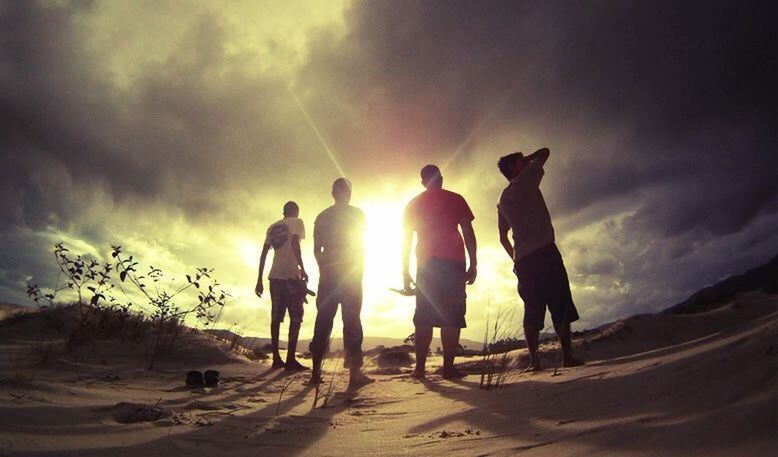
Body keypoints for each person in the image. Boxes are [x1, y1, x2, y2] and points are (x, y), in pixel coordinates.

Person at [496, 148, 583, 371]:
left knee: (532, 309)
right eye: (519, 160)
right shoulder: (526, 177)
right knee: (560, 303)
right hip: (545, 251)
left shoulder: (503, 199)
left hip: (524, 260)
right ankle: (567, 357)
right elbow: (545, 151)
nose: (525, 161)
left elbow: (502, 236)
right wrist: (526, 160)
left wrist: (514, 258)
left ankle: (535, 361)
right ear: (514, 167)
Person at [402, 165, 477, 380]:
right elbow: (468, 231)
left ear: (423, 181)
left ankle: (419, 369)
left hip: (426, 263)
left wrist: (404, 273)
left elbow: (405, 242)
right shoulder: (456, 198)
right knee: (452, 315)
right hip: (453, 262)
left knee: (424, 315)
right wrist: (474, 263)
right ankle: (448, 368)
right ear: (441, 178)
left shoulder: (413, 204)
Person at [308, 178, 373, 388]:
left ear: (333, 193)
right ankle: (354, 374)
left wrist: (323, 268)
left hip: (329, 274)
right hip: (350, 275)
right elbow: (362, 243)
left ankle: (315, 373)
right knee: (352, 320)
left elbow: (317, 250)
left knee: (323, 320)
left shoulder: (322, 216)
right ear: (349, 193)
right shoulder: (357, 214)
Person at [255, 201, 309, 371]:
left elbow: (264, 253)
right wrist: (302, 267)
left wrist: (259, 279)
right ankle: (291, 359)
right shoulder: (298, 223)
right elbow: (294, 242)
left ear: (283, 212)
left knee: (276, 317)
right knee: (296, 317)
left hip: (274, 276)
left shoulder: (273, 227)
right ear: (296, 212)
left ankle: (277, 359)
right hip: (291, 277)